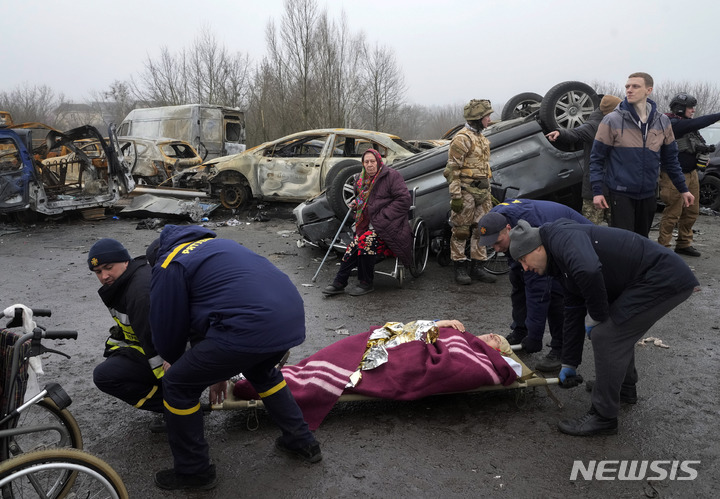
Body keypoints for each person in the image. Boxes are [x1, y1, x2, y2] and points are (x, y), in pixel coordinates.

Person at [146, 225, 321, 491]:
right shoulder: (218, 246)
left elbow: (168, 328)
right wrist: (215, 370)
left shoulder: (169, 263)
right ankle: (302, 440)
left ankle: (194, 472)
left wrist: (180, 362)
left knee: (178, 384)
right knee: (262, 371)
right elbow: (214, 309)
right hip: (290, 317)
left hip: (249, 326)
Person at [508, 219, 698, 436]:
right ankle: (624, 388)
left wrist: (596, 317)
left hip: (662, 277)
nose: (525, 268)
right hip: (647, 279)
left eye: (524, 259)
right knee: (616, 331)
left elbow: (588, 270)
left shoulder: (561, 238)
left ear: (538, 248)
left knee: (606, 335)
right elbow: (573, 308)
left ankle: (603, 417)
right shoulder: (558, 261)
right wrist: (569, 363)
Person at [476, 199, 591, 372]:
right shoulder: (495, 218)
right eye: (491, 244)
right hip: (545, 230)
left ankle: (560, 349)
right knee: (517, 280)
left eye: (498, 242)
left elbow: (539, 291)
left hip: (575, 235)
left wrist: (535, 336)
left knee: (555, 293)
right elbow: (521, 283)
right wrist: (525, 329)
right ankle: (520, 329)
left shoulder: (529, 235)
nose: (496, 249)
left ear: (508, 229)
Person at [589, 72, 694, 237]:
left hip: (648, 193)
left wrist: (683, 189)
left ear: (648, 90)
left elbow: (671, 160)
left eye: (635, 86)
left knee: (642, 242)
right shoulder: (612, 120)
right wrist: (597, 191)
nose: (629, 90)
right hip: (621, 192)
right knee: (624, 243)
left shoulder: (662, 122)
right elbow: (596, 159)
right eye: (627, 87)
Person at [88, 238, 165, 426]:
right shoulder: (126, 282)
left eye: (108, 267)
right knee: (114, 362)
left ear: (125, 261)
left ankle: (174, 406)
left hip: (173, 356)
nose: (104, 276)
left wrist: (177, 388)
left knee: (105, 376)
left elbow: (157, 347)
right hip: (152, 349)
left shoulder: (139, 293)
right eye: (98, 272)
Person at [322, 148, 412, 296]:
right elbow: (366, 199)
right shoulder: (361, 179)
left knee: (365, 241)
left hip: (389, 225)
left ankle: (366, 283)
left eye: (372, 161)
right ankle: (339, 282)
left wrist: (383, 216)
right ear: (363, 164)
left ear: (378, 162)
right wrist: (356, 203)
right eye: (366, 162)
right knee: (353, 246)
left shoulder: (392, 176)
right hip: (369, 225)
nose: (370, 164)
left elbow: (404, 200)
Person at [658, 93, 720, 256]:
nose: (693, 110)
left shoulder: (689, 127)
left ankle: (684, 243)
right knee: (673, 213)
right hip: (673, 176)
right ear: (680, 108)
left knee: (691, 211)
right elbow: (699, 122)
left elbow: (697, 143)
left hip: (691, 174)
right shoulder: (671, 123)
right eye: (690, 107)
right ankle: (663, 247)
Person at [443, 99, 497, 285]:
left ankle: (478, 267)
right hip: (465, 192)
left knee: (481, 230)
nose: (489, 119)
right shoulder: (462, 139)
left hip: (482, 192)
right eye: (487, 116)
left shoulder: (481, 138)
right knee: (461, 231)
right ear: (477, 118)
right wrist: (456, 196)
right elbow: (452, 170)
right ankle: (459, 266)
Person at [546, 94, 622, 224]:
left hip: (614, 188)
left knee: (618, 228)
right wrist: (560, 132)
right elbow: (576, 132)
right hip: (594, 189)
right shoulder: (594, 125)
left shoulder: (617, 124)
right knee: (590, 228)